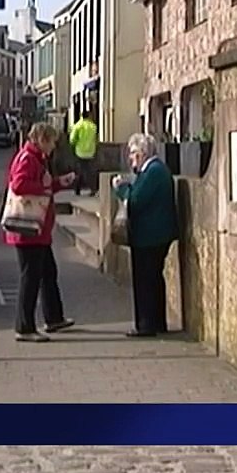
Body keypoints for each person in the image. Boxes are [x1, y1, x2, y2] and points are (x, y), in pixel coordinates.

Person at [5, 122, 77, 342]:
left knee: (48, 272)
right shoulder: (27, 158)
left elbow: (40, 185)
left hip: (38, 230)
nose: (54, 146)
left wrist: (57, 183)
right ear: (42, 140)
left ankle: (54, 317)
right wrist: (46, 187)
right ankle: (24, 327)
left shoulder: (36, 158)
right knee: (31, 278)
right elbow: (19, 185)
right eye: (52, 141)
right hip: (28, 230)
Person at [113, 133, 179, 337]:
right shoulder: (152, 170)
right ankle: (156, 321)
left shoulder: (154, 171)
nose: (130, 158)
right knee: (153, 279)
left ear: (142, 153)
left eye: (133, 153)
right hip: (154, 234)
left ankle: (146, 324)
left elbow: (135, 200)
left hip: (150, 236)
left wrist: (121, 188)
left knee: (145, 281)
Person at [68, 110, 99, 196]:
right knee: (89, 172)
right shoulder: (93, 126)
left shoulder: (78, 126)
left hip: (80, 152)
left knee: (79, 171)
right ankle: (93, 189)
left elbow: (72, 139)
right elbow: (95, 139)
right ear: (89, 116)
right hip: (90, 152)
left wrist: (74, 145)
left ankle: (77, 189)